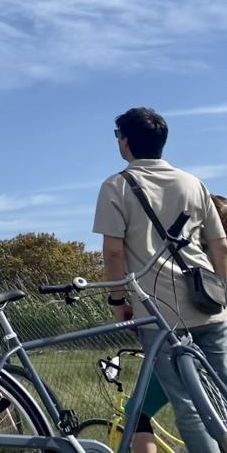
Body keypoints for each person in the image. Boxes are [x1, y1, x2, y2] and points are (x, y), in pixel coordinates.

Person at [94, 107, 227, 453]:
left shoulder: (116, 186)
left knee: (188, 403)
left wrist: (118, 301)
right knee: (223, 392)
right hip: (209, 304)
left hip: (160, 313)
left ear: (125, 143)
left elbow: (113, 253)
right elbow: (220, 246)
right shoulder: (193, 183)